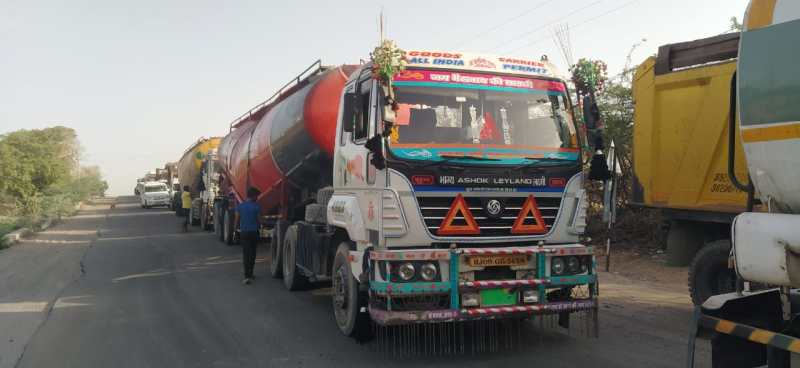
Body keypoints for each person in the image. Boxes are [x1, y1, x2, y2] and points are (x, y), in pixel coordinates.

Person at [236, 187, 261, 285]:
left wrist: (235, 230)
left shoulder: (241, 206)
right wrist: (259, 225)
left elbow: (237, 219)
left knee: (246, 254)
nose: (257, 198)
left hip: (244, 233)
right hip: (254, 233)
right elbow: (259, 220)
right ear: (253, 196)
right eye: (257, 196)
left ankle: (247, 276)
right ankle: (250, 274)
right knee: (253, 254)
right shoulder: (256, 206)